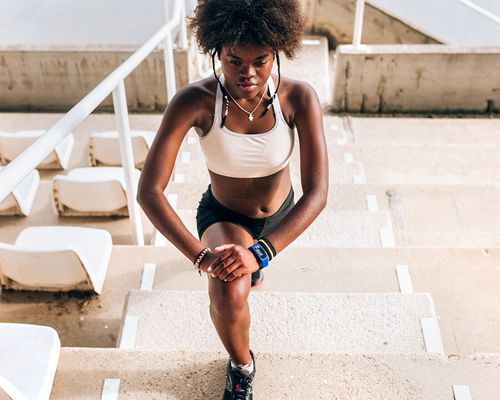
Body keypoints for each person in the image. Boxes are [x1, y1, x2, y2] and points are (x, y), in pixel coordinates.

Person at [137, 0, 328, 398]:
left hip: (281, 214)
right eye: (234, 61)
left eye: (261, 61)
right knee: (228, 292)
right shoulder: (194, 101)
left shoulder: (298, 98)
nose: (248, 73)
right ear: (215, 53)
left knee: (249, 267)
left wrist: (261, 252)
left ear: (278, 51)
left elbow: (318, 193)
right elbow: (149, 191)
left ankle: (253, 262)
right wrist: (201, 257)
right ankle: (242, 365)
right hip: (226, 215)